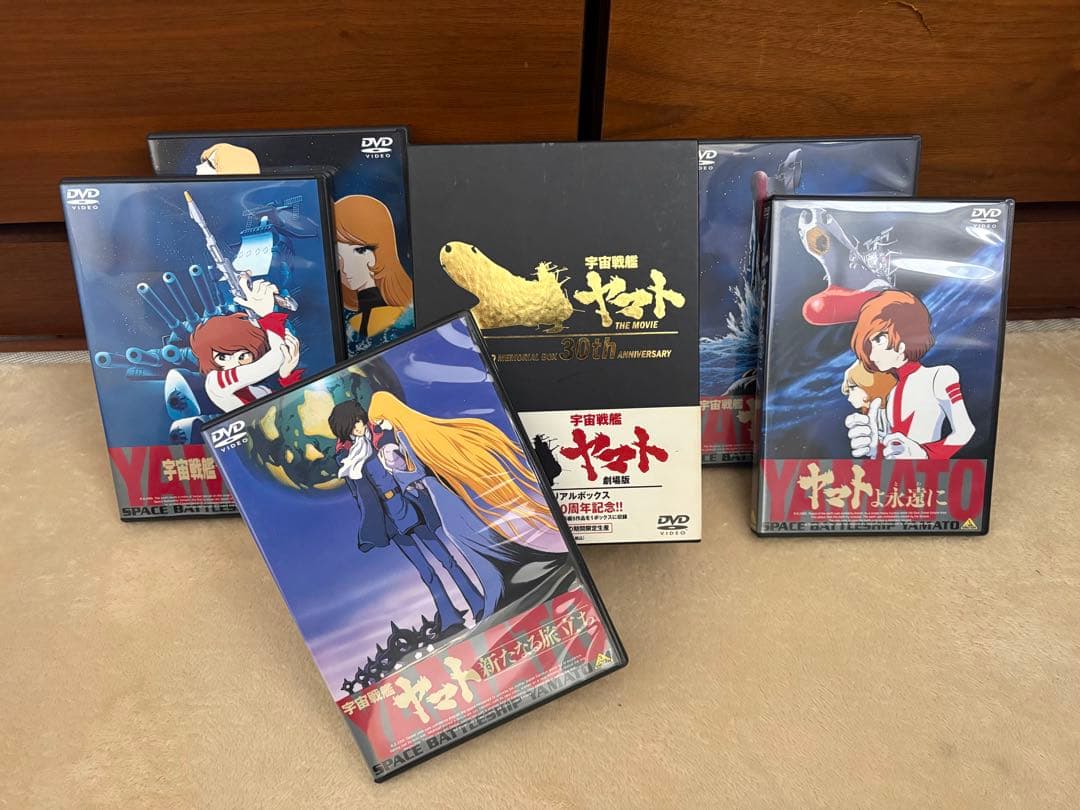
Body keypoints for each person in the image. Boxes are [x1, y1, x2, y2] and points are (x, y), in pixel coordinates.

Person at [368, 391, 568, 621]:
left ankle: (499, 591)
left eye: (380, 421)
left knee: (464, 536)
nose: (381, 427)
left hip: (443, 498)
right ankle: (513, 576)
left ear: (388, 413)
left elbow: (420, 472)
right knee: (472, 536)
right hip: (443, 495)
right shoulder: (410, 431)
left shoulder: (404, 435)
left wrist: (396, 475)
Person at [329, 399, 482, 631]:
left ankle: (477, 603)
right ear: (345, 430)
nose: (358, 427)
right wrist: (374, 521)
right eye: (352, 426)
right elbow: (358, 495)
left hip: (409, 504)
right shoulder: (348, 458)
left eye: (359, 421)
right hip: (387, 517)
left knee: (446, 558)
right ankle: (450, 618)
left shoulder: (381, 434)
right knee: (425, 570)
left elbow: (407, 460)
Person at [845, 291, 974, 460]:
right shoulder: (888, 390)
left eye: (878, 340)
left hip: (927, 473)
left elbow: (965, 431)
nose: (872, 354)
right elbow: (891, 448)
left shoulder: (940, 376)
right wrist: (873, 448)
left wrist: (924, 454)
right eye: (869, 343)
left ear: (904, 336)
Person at [189, 278, 301, 412]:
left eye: (243, 356)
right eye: (223, 357)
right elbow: (275, 359)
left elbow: (287, 412)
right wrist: (268, 315)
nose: (235, 363)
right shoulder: (216, 382)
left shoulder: (259, 391)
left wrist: (287, 376)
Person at [334, 195, 413, 350]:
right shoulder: (349, 317)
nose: (345, 267)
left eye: (360, 250)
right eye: (338, 255)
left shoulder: (398, 317)